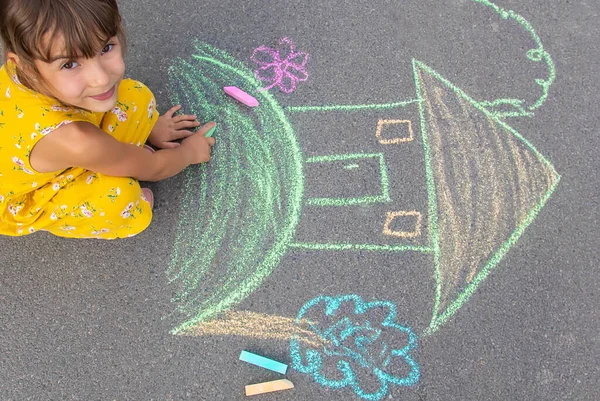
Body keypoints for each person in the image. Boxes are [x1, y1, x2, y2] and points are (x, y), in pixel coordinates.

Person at [0, 0, 215, 239]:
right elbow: (153, 167)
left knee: (134, 96)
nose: (100, 79)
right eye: (69, 64)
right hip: (28, 193)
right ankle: (122, 204)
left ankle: (117, 155)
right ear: (25, 66)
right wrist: (188, 153)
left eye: (105, 48)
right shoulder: (75, 140)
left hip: (50, 146)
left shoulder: (28, 69)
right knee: (118, 199)